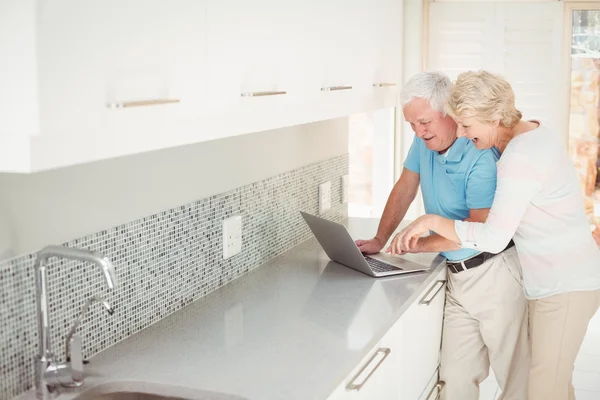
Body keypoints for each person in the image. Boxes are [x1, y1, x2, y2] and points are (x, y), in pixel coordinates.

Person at [391, 70, 600, 400]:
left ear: (495, 117)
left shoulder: (518, 157)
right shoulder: (534, 134)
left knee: (544, 389)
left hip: (565, 284)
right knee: (553, 383)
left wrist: (431, 222)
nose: (461, 132)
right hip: (554, 281)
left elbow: (493, 237)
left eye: (467, 124)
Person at [355, 71, 529, 400]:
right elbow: (405, 187)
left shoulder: (480, 156)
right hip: (456, 276)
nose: (419, 132)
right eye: (412, 125)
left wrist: (415, 245)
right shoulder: (424, 143)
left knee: (516, 378)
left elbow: (475, 233)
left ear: (448, 112)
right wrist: (381, 239)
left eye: (424, 122)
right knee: (454, 378)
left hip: (494, 275)